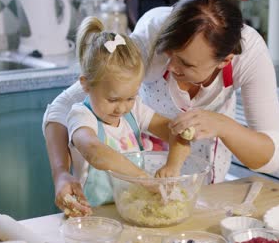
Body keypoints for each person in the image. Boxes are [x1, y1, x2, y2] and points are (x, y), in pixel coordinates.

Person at [43, 0, 279, 215]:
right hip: (136, 186)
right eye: (170, 54)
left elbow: (272, 158)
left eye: (186, 64)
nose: (170, 67)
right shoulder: (152, 37)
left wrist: (223, 126)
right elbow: (62, 107)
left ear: (225, 61)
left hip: (202, 188)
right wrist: (61, 174)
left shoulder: (250, 55)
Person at [49, 16, 191, 216]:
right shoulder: (81, 115)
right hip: (92, 214)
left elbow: (178, 134)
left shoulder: (136, 110)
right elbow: (94, 151)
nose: (122, 108)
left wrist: (172, 166)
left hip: (130, 209)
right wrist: (143, 179)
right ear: (86, 85)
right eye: (113, 100)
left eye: (130, 98)